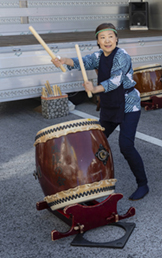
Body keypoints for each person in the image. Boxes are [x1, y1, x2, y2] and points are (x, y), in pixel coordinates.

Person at [51, 23, 149, 201]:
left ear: (116, 38)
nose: (107, 40)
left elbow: (117, 80)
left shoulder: (122, 56)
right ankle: (92, 182)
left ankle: (143, 184)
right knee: (96, 143)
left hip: (129, 104)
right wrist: (64, 60)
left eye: (110, 36)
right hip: (110, 105)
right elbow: (83, 61)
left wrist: (95, 89)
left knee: (126, 146)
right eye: (102, 37)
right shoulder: (98, 56)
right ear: (97, 41)